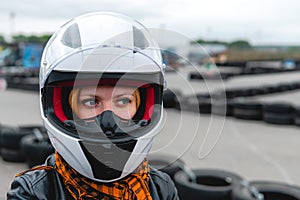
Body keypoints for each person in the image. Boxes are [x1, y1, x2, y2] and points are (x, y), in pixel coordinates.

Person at [7, 12, 179, 199]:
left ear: (141, 107)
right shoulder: (34, 191)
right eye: (91, 101)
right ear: (66, 109)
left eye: (123, 101)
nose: (108, 122)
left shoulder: (161, 188)